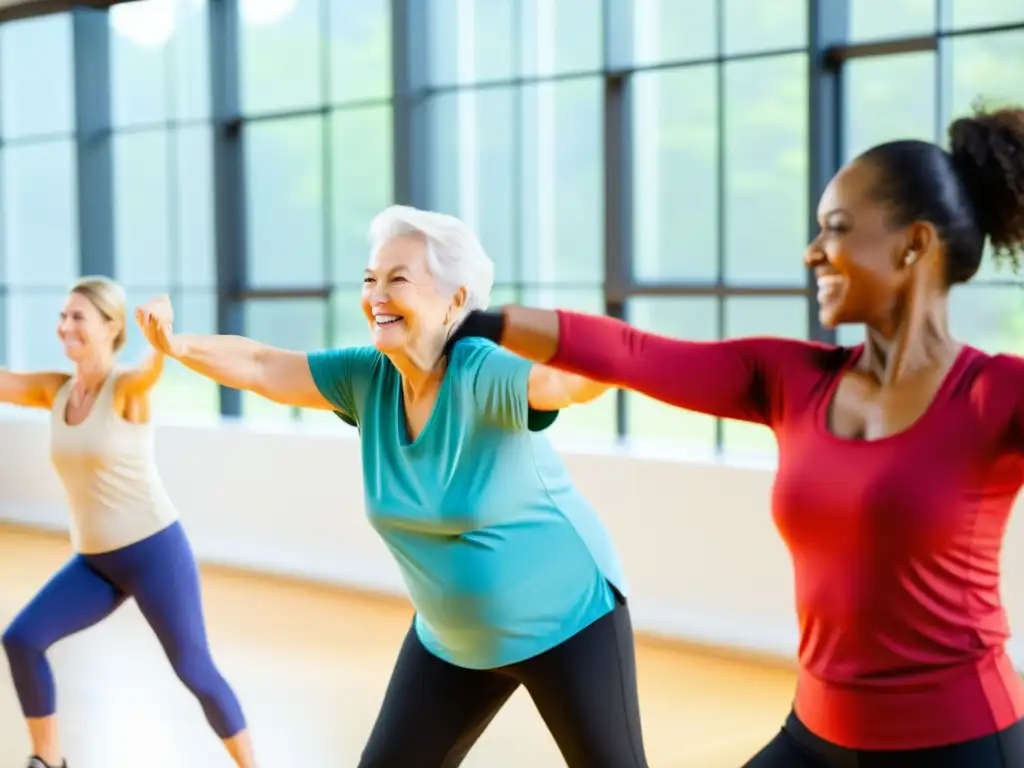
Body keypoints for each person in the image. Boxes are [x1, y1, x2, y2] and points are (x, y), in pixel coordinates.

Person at [444, 104, 1024, 767]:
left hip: (961, 745)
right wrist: (475, 323)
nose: (812, 253)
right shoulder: (787, 378)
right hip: (817, 736)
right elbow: (630, 352)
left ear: (913, 244)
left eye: (835, 230)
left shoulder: (997, 395)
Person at [134, 205, 648, 768]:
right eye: (369, 280)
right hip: (452, 642)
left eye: (397, 279)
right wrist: (177, 346)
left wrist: (610, 354)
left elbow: (561, 384)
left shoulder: (481, 371)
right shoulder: (366, 378)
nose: (376, 294)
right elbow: (260, 364)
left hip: (568, 622)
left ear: (456, 300)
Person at [0, 277, 258, 768]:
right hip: (94, 562)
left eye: (78, 317)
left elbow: (149, 369)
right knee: (22, 640)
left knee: (194, 669)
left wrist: (161, 329)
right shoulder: (55, 390)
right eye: (62, 317)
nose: (64, 326)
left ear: (111, 326)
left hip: (154, 553)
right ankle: (48, 761)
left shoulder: (126, 389)